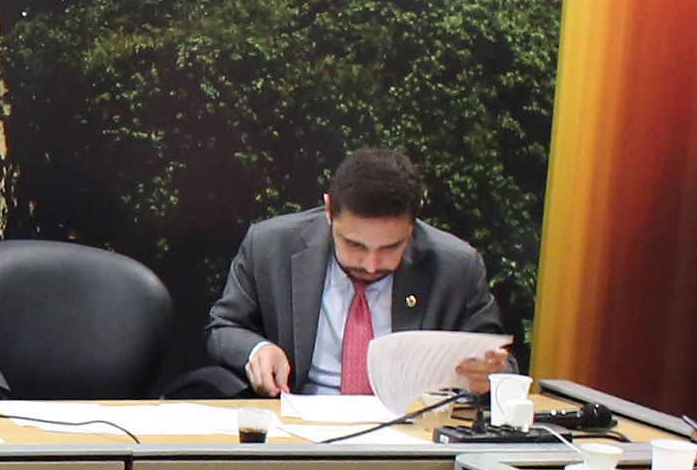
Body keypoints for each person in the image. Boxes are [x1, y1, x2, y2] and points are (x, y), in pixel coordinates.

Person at [193, 148, 505, 401]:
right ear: (329, 211)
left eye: (391, 247)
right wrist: (258, 350)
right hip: (297, 424)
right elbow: (224, 327)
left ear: (414, 222)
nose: (371, 264)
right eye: (355, 245)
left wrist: (487, 375)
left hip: (409, 432)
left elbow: (500, 363)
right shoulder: (271, 246)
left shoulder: (456, 266)